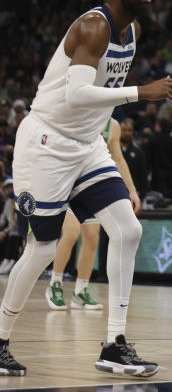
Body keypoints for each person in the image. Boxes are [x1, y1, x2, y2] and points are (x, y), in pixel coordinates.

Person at [0, 0, 172, 377]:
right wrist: (143, 92)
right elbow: (78, 94)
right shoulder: (93, 27)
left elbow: (97, 101)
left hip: (86, 145)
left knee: (128, 229)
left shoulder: (133, 31)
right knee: (44, 248)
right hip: (47, 142)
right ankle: (1, 338)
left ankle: (114, 345)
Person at [46, 118, 142, 311]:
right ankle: (55, 284)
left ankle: (80, 291)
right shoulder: (77, 113)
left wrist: (131, 190)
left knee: (92, 237)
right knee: (72, 232)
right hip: (65, 182)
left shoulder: (113, 125)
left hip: (90, 186)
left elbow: (118, 158)